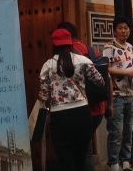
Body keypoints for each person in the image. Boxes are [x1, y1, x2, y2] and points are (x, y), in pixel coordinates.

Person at [38, 27, 105, 171]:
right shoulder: (83, 61)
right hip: (82, 114)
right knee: (81, 159)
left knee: (65, 161)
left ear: (54, 45)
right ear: (70, 43)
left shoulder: (47, 66)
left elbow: (43, 95)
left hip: (59, 117)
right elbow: (100, 81)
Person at [57, 21, 110, 171]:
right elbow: (105, 80)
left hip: (78, 112)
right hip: (98, 109)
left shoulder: (62, 57)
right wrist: (109, 105)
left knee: (76, 153)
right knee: (84, 150)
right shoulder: (93, 51)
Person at [103, 16, 133, 171]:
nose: (124, 31)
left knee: (128, 130)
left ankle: (125, 161)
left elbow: (130, 66)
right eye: (120, 28)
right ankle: (113, 163)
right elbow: (106, 68)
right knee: (116, 131)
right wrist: (128, 72)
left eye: (126, 28)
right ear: (114, 30)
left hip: (129, 94)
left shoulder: (130, 47)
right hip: (115, 96)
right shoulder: (109, 47)